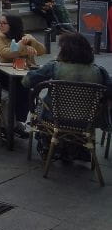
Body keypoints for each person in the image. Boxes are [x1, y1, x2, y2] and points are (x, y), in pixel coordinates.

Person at [23, 32, 112, 160]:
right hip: (87, 121)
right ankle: (77, 147)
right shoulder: (100, 71)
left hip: (55, 118)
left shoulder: (55, 66)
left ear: (64, 51)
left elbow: (26, 82)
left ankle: (50, 146)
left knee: (40, 105)